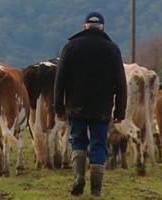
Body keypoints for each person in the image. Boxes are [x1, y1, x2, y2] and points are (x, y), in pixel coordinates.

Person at [54, 11, 127, 197]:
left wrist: (59, 108)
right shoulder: (112, 49)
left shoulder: (71, 47)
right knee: (99, 143)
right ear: (103, 27)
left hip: (75, 105)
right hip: (101, 108)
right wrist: (120, 110)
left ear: (84, 26)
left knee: (77, 140)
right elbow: (120, 83)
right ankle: (96, 188)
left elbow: (59, 80)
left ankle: (78, 177)